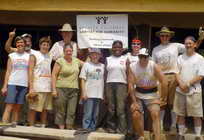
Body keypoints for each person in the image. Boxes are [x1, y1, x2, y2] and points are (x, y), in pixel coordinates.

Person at [128, 48, 167, 140]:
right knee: (135, 114)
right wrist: (134, 102)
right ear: (138, 57)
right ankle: (141, 136)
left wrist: (162, 98)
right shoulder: (132, 66)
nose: (143, 59)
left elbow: (164, 81)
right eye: (141, 57)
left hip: (152, 94)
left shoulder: (153, 66)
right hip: (138, 93)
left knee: (155, 113)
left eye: (145, 57)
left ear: (148, 57)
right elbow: (130, 84)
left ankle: (157, 138)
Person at [174, 36, 204, 140]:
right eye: (186, 43)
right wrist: (181, 85)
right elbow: (176, 72)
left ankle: (198, 136)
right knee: (180, 114)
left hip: (194, 90)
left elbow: (200, 75)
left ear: (195, 45)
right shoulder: (180, 58)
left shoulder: (200, 58)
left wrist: (186, 84)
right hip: (180, 90)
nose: (188, 45)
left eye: (190, 43)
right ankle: (181, 135)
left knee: (196, 115)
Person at [52, 45, 83, 129]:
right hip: (61, 88)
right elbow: (54, 75)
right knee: (60, 110)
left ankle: (69, 127)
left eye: (70, 51)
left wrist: (90, 51)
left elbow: (87, 64)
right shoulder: (60, 61)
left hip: (74, 89)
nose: (69, 52)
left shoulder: (76, 61)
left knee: (72, 111)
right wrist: (54, 89)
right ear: (64, 51)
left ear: (73, 51)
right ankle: (61, 129)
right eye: (67, 51)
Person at [1, 36, 30, 124]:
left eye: (21, 42)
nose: (20, 44)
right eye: (18, 42)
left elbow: (30, 71)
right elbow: (8, 71)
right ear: (16, 44)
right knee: (9, 104)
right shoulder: (12, 55)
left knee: (18, 106)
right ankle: (3, 125)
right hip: (12, 83)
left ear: (25, 44)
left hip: (24, 84)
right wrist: (4, 86)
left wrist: (30, 85)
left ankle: (14, 126)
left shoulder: (29, 56)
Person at [27, 36, 53, 127]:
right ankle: (31, 126)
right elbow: (30, 71)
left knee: (45, 109)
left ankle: (43, 126)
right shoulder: (34, 54)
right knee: (33, 108)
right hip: (37, 86)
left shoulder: (50, 55)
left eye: (47, 45)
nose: (45, 46)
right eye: (44, 44)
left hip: (47, 86)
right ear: (40, 45)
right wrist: (31, 87)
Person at [105, 40, 128, 134]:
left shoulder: (126, 59)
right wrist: (104, 89)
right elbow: (105, 75)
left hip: (121, 85)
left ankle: (122, 129)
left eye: (119, 47)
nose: (117, 49)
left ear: (122, 49)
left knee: (120, 109)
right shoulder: (108, 59)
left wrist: (129, 89)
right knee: (111, 108)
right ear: (112, 48)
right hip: (109, 85)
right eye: (115, 47)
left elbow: (129, 74)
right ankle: (111, 128)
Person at [79, 48, 104, 132]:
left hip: (99, 94)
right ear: (90, 55)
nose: (95, 55)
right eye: (93, 54)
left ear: (100, 56)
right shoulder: (86, 65)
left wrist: (103, 94)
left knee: (95, 114)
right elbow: (82, 79)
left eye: (97, 54)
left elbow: (104, 80)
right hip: (88, 94)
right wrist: (83, 92)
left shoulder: (102, 66)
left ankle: (92, 129)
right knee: (88, 113)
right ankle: (85, 129)